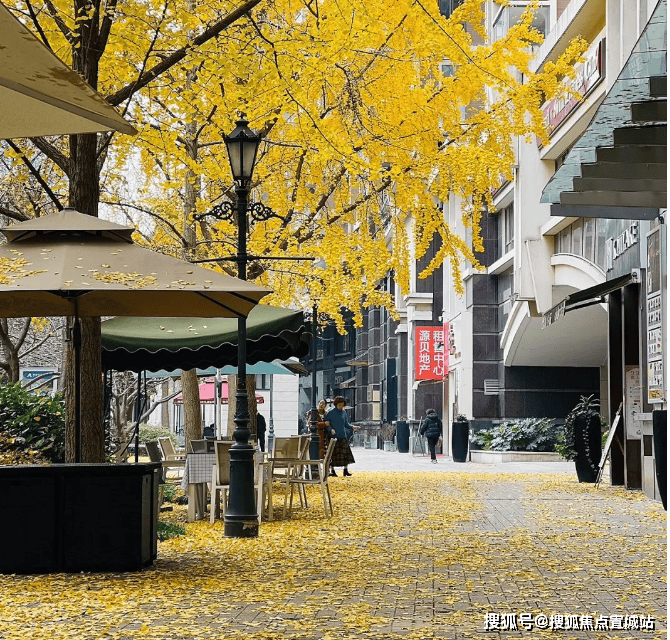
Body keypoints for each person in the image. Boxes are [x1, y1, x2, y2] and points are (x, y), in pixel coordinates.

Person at [324, 396, 357, 477]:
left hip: (342, 435)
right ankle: (332, 471)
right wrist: (330, 429)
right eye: (339, 405)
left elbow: (346, 423)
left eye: (342, 405)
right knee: (333, 455)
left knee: (345, 454)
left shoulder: (344, 412)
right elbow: (326, 423)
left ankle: (345, 470)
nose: (341, 406)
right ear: (336, 404)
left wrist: (353, 427)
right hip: (333, 437)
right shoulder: (331, 412)